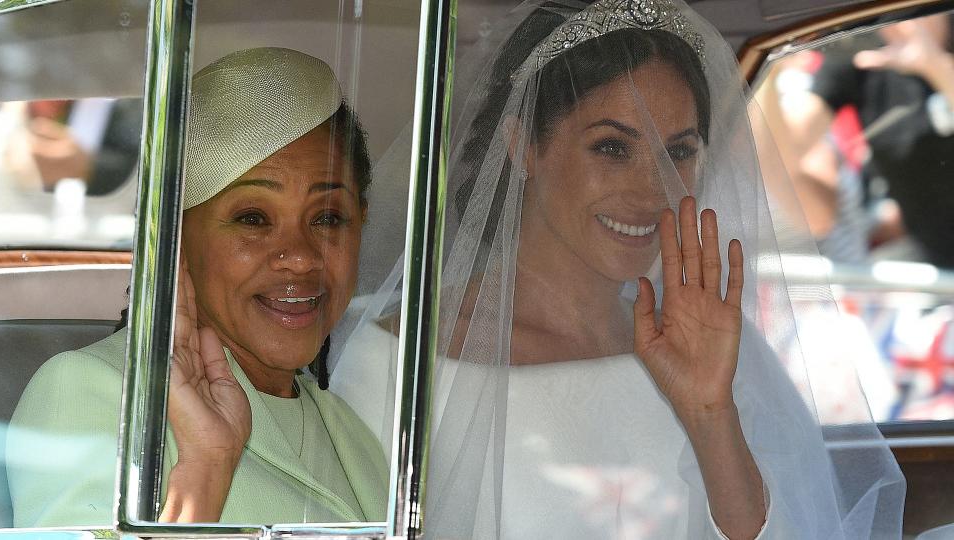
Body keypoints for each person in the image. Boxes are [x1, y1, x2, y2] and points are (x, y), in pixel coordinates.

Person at [330, 1, 905, 538]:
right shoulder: (396, 366)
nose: (653, 188)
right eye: (612, 148)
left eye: (679, 150)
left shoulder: (713, 350)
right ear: (523, 144)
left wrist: (710, 417)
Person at [6, 47, 387, 526]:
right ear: (175, 240)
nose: (302, 256)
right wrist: (205, 469)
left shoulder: (350, 432)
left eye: (328, 218)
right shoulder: (95, 391)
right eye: (254, 218)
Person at [777, 14, 954, 267]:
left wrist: (935, 66)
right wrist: (767, 78)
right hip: (935, 264)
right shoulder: (861, 54)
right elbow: (792, 141)